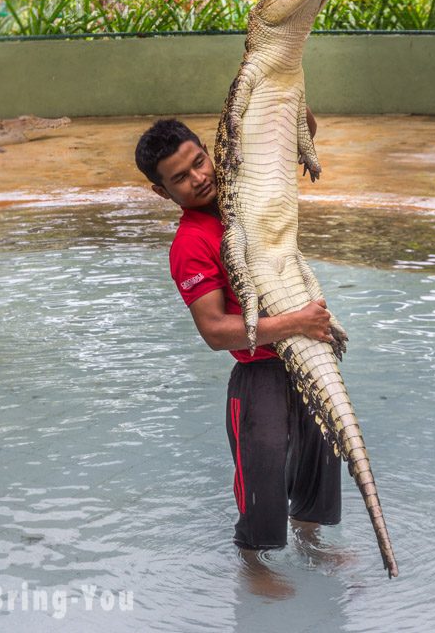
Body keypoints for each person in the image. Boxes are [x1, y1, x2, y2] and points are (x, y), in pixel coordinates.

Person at [134, 115, 341, 554]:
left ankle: (312, 542)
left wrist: (281, 101)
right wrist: (296, 323)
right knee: (262, 475)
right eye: (180, 178)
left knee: (321, 462)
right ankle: (254, 563)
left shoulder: (242, 186)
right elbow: (215, 330)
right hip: (258, 376)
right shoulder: (190, 244)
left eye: (199, 162)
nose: (199, 178)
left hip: (307, 353)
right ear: (161, 191)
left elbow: (301, 128)